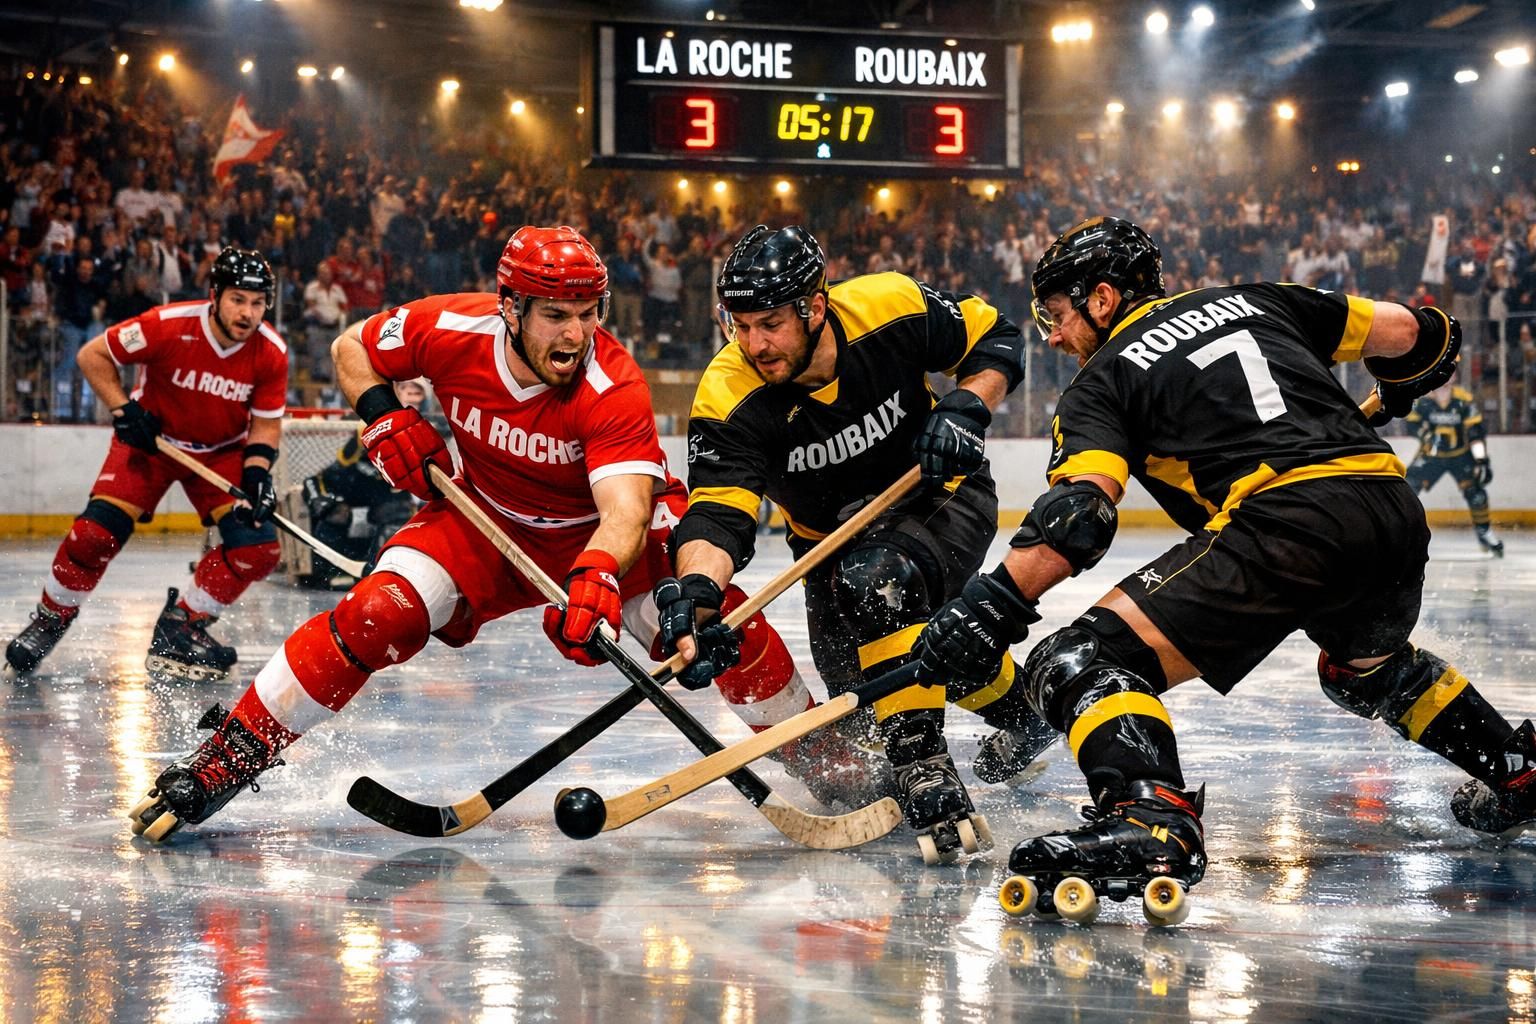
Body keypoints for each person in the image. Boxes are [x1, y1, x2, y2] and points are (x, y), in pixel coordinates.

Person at [128, 226, 866, 840]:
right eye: (556, 315)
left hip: (601, 538)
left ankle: (828, 757)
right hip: (480, 522)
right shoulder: (450, 327)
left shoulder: (614, 384)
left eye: (589, 313)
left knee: (709, 623)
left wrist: (598, 572)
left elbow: (626, 512)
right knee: (375, 613)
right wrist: (383, 412)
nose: (577, 334)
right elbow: (353, 346)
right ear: (509, 308)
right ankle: (229, 756)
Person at [913, 217, 1536, 914]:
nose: (1054, 336)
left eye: (1057, 316)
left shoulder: (1103, 380)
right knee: (1365, 669)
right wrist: (1404, 381)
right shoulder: (1259, 298)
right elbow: (1423, 332)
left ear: (1103, 299)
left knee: (1075, 660)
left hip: (1285, 524)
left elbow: (1079, 516)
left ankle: (1151, 820)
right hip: (1388, 508)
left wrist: (990, 604)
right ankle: (1516, 768)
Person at [657, 224, 1053, 858]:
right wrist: (700, 593)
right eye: (740, 325)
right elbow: (718, 513)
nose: (753, 344)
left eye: (769, 324)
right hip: (829, 549)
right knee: (873, 701)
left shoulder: (888, 306)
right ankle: (1024, 715)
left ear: (815, 306)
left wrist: (966, 408)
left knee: (879, 586)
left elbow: (997, 339)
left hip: (942, 498)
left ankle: (927, 768)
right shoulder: (728, 390)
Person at [5, 248, 287, 681]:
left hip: (220, 453)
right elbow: (91, 356)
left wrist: (256, 474)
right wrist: (124, 410)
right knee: (94, 536)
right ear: (214, 295)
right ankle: (49, 619)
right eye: (237, 299)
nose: (247, 313)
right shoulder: (166, 324)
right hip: (151, 445)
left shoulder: (271, 352)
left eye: (257, 302)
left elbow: (266, 426)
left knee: (258, 548)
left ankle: (182, 625)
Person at [297, 379, 428, 586]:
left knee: (396, 515)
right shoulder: (364, 431)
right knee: (330, 514)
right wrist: (322, 501)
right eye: (406, 390)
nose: (411, 396)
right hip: (356, 501)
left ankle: (386, 578)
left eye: (417, 393)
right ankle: (326, 574)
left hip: (392, 508)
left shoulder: (430, 433)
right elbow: (322, 477)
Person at [1405, 381, 1503, 556]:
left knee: (1477, 494)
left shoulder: (1463, 399)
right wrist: (1427, 435)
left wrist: (1481, 460)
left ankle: (1485, 534)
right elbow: (1411, 425)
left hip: (1460, 455)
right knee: (1406, 489)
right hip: (1432, 455)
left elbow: (1475, 431)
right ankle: (1400, 533)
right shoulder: (1423, 400)